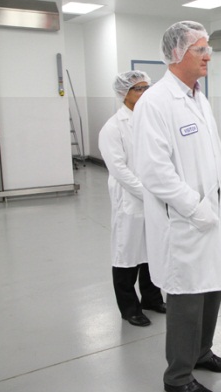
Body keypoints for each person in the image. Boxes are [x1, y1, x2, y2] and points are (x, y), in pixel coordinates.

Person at [132, 21, 221, 392]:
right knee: (186, 300)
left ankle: (202, 353)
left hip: (210, 215)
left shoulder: (198, 96)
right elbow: (155, 172)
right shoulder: (156, 102)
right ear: (177, 54)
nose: (208, 55)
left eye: (208, 48)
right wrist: (195, 208)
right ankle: (177, 378)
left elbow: (211, 154)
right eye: (200, 49)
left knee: (212, 288)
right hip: (184, 221)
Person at [98, 70, 166, 327]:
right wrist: (147, 192)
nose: (145, 93)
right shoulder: (113, 127)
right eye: (138, 88)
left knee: (152, 251)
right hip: (130, 202)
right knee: (127, 254)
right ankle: (129, 308)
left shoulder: (153, 121)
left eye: (147, 87)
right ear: (124, 94)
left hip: (155, 198)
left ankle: (151, 298)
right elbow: (119, 170)